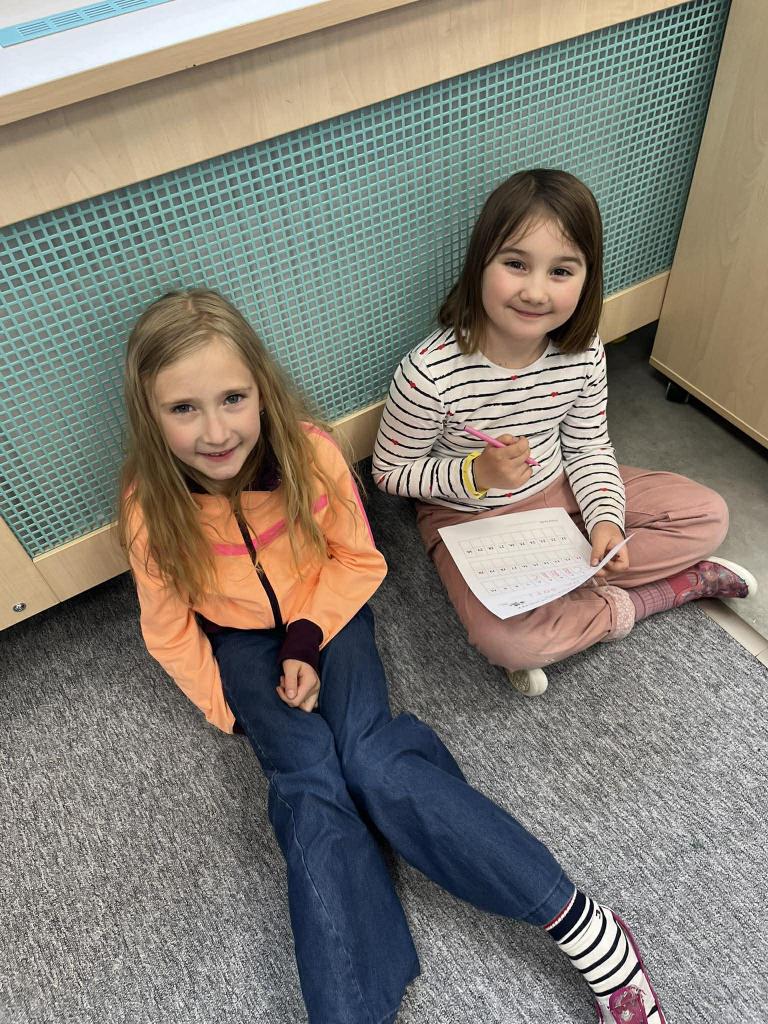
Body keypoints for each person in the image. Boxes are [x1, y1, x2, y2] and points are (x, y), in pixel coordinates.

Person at [119, 288, 666, 1024]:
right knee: (308, 781)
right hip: (240, 643)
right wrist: (231, 711)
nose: (216, 431)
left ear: (261, 389)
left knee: (372, 763)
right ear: (150, 414)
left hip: (331, 611)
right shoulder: (149, 506)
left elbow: (359, 560)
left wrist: (308, 636)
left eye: (232, 399)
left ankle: (584, 927)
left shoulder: (310, 453)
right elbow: (167, 629)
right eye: (184, 408)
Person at [373, 168, 756, 697]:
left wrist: (605, 520)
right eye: (515, 264)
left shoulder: (582, 350)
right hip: (469, 517)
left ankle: (566, 595)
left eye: (561, 271)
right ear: (479, 263)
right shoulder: (429, 373)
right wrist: (475, 474)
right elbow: (390, 474)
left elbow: (589, 446)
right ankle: (658, 594)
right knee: (508, 642)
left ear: (587, 278)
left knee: (707, 514)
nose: (535, 291)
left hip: (559, 488)